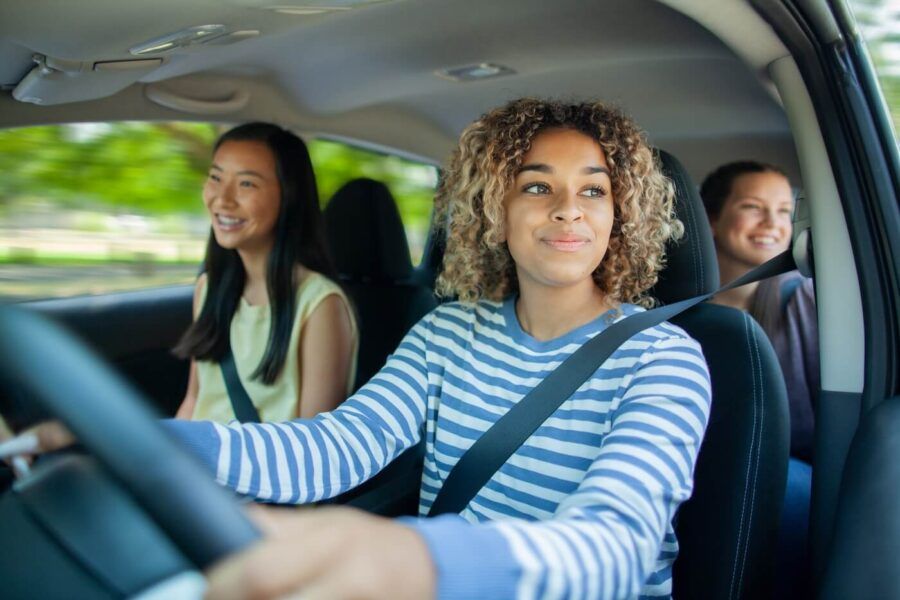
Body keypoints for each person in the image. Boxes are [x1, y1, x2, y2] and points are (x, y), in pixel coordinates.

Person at [19, 100, 712, 599]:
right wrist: (143, 446)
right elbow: (338, 445)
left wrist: (414, 559)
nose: (569, 209)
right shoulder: (448, 333)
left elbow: (616, 548)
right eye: (537, 186)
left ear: (621, 215)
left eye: (594, 190)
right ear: (493, 211)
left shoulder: (664, 361)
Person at [173, 123, 358, 423]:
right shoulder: (209, 287)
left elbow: (312, 444)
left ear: (289, 197)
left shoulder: (320, 304)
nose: (222, 199)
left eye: (246, 184)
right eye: (216, 178)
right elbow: (194, 401)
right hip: (196, 461)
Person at [700, 160, 818, 598]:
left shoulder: (803, 299)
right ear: (711, 218)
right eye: (753, 207)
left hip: (780, 473)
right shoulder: (668, 306)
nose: (773, 223)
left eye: (785, 211)